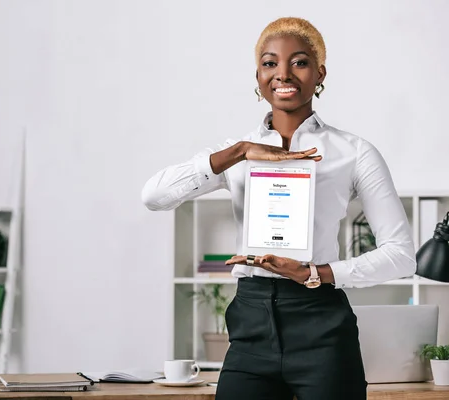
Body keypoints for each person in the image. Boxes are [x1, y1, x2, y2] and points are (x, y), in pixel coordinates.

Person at [141, 17, 416, 400]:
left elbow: (402, 256)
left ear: (320, 73)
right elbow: (153, 196)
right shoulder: (236, 152)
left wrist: (313, 273)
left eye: (299, 62)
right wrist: (237, 152)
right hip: (249, 324)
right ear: (258, 76)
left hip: (321, 324)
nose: (282, 73)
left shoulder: (354, 152)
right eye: (270, 63)